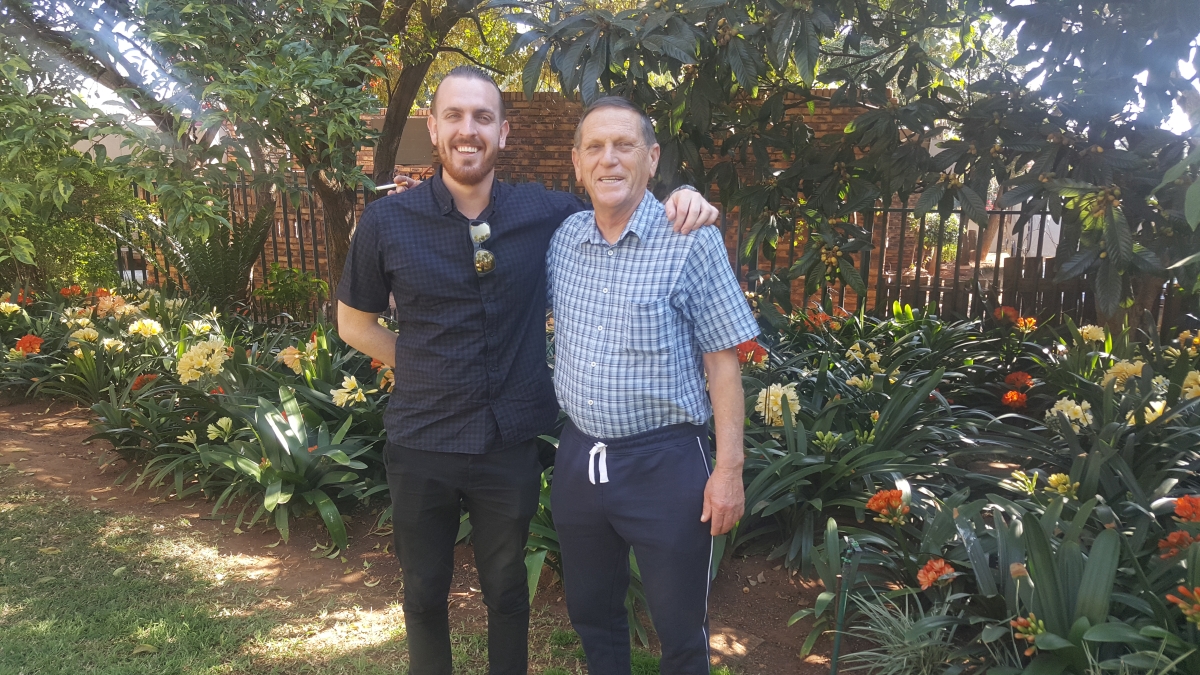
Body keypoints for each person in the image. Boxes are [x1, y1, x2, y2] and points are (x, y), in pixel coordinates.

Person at [335, 66, 719, 675]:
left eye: (482, 117)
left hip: (507, 442)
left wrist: (684, 195)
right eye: (454, 116)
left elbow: (617, 198)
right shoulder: (387, 222)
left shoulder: (546, 213)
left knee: (508, 589)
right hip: (421, 440)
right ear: (433, 128)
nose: (468, 130)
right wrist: (430, 365)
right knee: (423, 591)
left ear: (503, 132)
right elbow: (353, 324)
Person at [546, 97, 759, 675]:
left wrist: (729, 470)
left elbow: (723, 364)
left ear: (652, 157)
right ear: (576, 162)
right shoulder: (563, 241)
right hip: (580, 460)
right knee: (592, 612)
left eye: (625, 145)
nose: (609, 159)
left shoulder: (690, 240)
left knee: (680, 627)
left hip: (666, 465)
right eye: (595, 147)